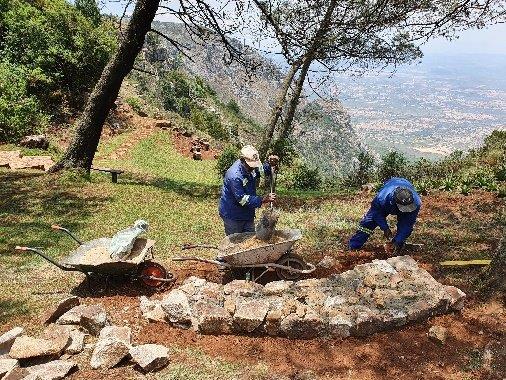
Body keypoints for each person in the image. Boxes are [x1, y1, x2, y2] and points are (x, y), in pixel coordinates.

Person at [348, 177, 421, 254]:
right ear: (394, 203)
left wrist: (397, 241)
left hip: (405, 184)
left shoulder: (416, 203)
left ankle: (397, 244)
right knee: (368, 223)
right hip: (389, 190)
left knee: (403, 230)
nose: (404, 210)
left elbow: (407, 225)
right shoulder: (381, 198)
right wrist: (385, 228)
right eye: (402, 207)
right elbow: (376, 214)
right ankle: (353, 245)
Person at [219, 145, 278, 235]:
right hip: (233, 215)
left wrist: (269, 166)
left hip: (247, 213)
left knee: (250, 240)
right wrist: (262, 199)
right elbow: (242, 199)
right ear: (243, 160)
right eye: (251, 166)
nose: (253, 168)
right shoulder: (235, 176)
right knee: (236, 242)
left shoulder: (250, 168)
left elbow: (260, 171)